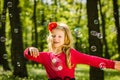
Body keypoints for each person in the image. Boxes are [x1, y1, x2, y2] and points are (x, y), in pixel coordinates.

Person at [24, 22, 120, 80]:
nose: (56, 38)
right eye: (53, 36)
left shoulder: (71, 54)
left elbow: (91, 59)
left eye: (59, 36)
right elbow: (28, 55)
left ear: (66, 39)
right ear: (50, 38)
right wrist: (30, 49)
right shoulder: (46, 56)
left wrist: (113, 64)